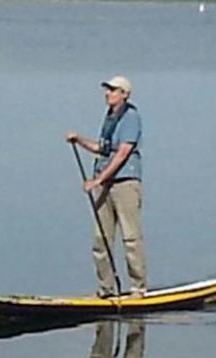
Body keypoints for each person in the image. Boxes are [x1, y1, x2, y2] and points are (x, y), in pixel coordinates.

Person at [66, 75, 147, 299]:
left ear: (124, 94)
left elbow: (122, 154)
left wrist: (98, 180)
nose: (107, 93)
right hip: (105, 182)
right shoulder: (109, 117)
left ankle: (138, 288)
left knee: (130, 237)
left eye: (112, 90)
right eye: (107, 90)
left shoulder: (131, 117)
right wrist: (79, 140)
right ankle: (106, 289)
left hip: (125, 183)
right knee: (101, 239)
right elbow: (103, 148)